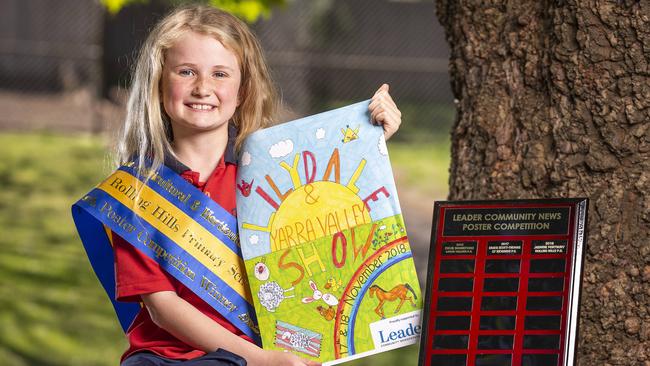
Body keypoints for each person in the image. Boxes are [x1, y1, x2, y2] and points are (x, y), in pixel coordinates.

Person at [111, 4, 403, 366]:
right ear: (158, 84)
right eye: (186, 72)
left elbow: (330, 211)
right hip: (165, 359)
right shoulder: (135, 192)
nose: (203, 87)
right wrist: (261, 359)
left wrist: (369, 142)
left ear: (243, 89)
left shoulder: (271, 176)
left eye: (220, 74)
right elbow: (162, 308)